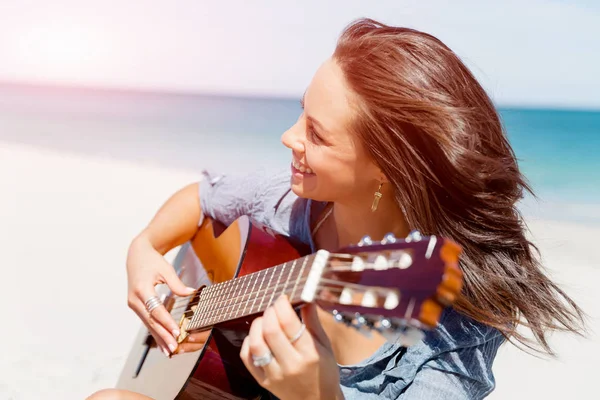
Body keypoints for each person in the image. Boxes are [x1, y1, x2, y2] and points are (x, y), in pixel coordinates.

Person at [88, 18, 585, 400]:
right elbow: (202, 196)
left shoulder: (458, 329)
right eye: (302, 111)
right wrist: (145, 247)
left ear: (388, 169)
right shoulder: (297, 205)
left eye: (316, 133)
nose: (288, 136)